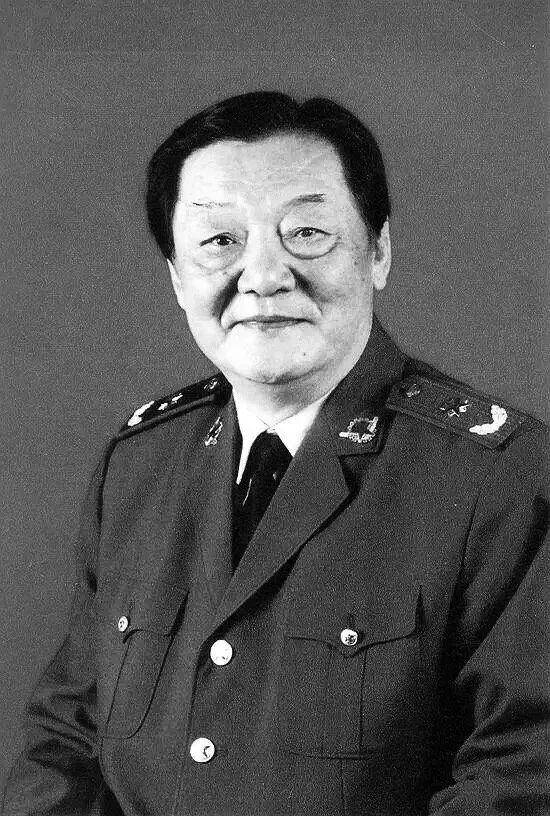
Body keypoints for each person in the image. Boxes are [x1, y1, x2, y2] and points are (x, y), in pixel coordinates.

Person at [2, 91, 549, 816]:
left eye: (307, 233)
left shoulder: (498, 479)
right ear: (176, 276)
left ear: (378, 251)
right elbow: (67, 741)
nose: (263, 275)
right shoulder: (138, 468)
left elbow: (521, 777)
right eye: (220, 241)